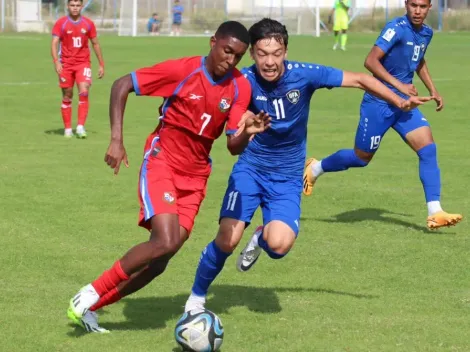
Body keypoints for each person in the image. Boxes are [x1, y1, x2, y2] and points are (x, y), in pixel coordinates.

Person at [183, 18, 432, 312]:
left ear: (285, 51)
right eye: (262, 53)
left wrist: (399, 100)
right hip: (251, 169)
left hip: (287, 178)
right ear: (252, 54)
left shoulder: (305, 75)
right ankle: (196, 299)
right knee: (227, 239)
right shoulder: (243, 82)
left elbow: (360, 79)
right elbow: (231, 143)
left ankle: (261, 236)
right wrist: (246, 129)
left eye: (276, 53)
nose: (270, 61)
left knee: (279, 246)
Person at [66, 21, 270, 333]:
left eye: (238, 56)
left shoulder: (240, 86)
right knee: (165, 240)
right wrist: (117, 140)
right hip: (162, 162)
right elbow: (122, 85)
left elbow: (232, 145)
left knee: (163, 257)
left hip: (196, 176)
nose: (230, 60)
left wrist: (248, 133)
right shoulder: (182, 70)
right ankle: (89, 292)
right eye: (227, 51)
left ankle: (91, 308)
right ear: (213, 42)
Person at [303, 0, 463, 230]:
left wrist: (432, 89)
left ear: (430, 8)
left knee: (428, 149)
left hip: (405, 106)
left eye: (423, 6)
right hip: (378, 103)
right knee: (361, 158)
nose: (417, 10)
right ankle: (316, 168)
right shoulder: (395, 28)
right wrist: (399, 85)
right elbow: (370, 61)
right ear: (406, 4)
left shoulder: (426, 32)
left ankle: (434, 211)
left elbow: (418, 60)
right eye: (413, 5)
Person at [51, 0, 105, 138]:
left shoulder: (88, 24)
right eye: (72, 5)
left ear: (82, 6)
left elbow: (95, 43)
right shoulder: (61, 23)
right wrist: (56, 62)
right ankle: (68, 129)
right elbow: (54, 43)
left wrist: (101, 64)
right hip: (66, 64)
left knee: (84, 91)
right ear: (68, 6)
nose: (75, 8)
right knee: (67, 95)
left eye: (77, 5)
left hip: (83, 63)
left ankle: (80, 127)